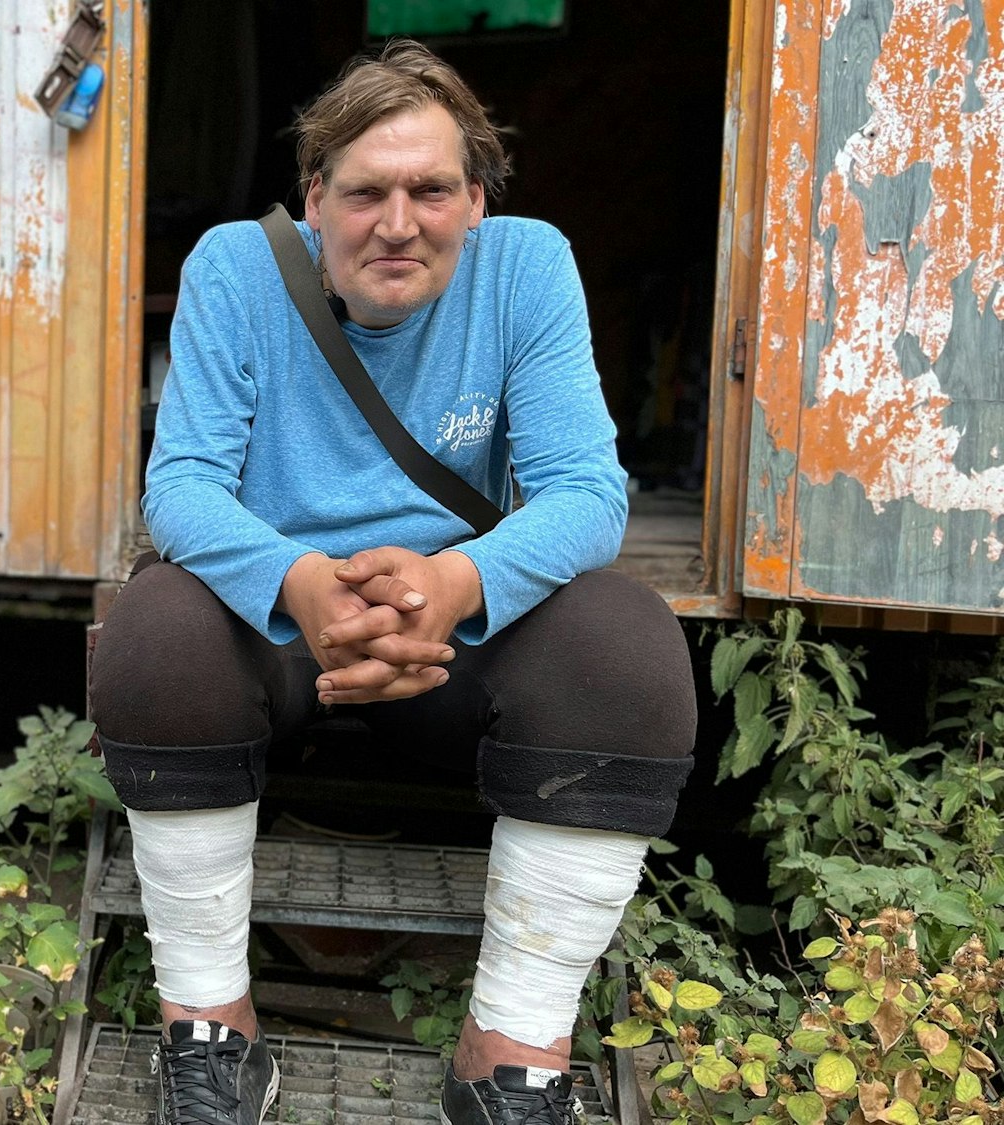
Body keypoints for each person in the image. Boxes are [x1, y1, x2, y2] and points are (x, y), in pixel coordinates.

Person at [86, 40, 698, 1125]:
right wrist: (300, 583)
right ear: (315, 199)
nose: (397, 221)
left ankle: (510, 1053)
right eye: (364, 191)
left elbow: (584, 492)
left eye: (429, 189)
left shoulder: (525, 267)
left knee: (624, 641)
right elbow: (179, 485)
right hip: (274, 634)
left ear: (474, 198)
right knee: (157, 628)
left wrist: (454, 584)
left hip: (444, 638)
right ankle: (210, 1034)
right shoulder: (236, 268)